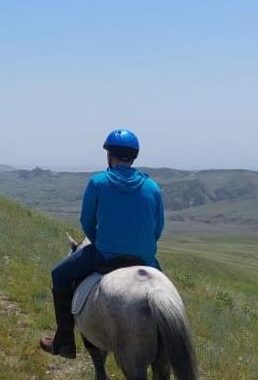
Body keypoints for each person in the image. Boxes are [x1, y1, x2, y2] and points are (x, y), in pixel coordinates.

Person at [39, 128, 166, 359]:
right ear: (134, 156)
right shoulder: (153, 187)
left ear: (110, 156)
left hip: (105, 255)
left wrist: (100, 241)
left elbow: (87, 221)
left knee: (59, 274)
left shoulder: (98, 182)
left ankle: (65, 342)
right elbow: (158, 229)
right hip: (144, 258)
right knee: (165, 292)